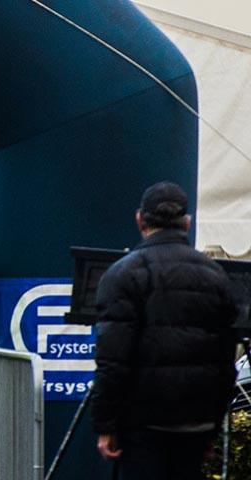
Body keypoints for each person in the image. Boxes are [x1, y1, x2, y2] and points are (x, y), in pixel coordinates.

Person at [90, 181, 245, 480]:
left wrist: (106, 425)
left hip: (142, 423)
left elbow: (112, 360)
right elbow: (226, 358)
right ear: (187, 222)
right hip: (195, 422)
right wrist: (213, 424)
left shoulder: (123, 274)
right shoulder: (216, 276)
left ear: (140, 220)